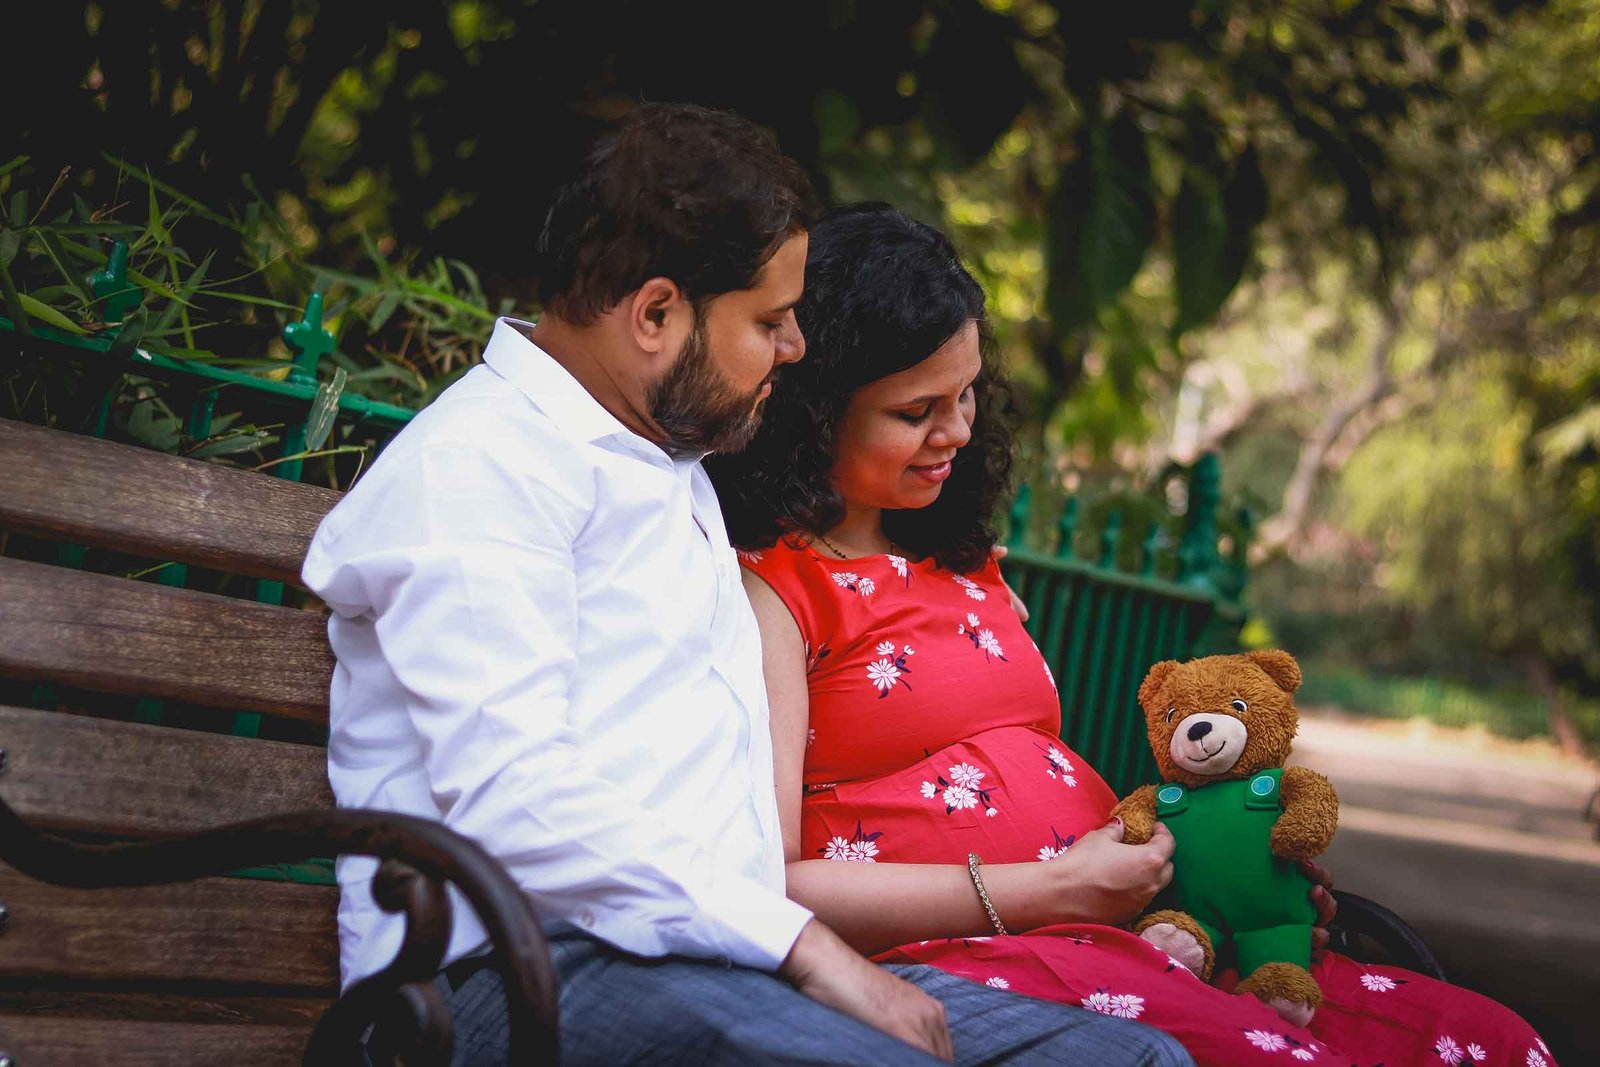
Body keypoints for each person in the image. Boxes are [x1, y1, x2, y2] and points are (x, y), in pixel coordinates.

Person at [302, 104, 1190, 1066]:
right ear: (655, 314)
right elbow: (511, 798)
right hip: (514, 973)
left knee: (1140, 1060)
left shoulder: (666, 463)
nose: (797, 347)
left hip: (718, 964)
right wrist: (803, 945)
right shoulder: (480, 468)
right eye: (770, 321)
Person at [709, 202, 1557, 1067]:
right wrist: (1049, 887)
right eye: (916, 409)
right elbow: (776, 882)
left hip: (1138, 932)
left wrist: (1233, 876)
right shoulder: (771, 591)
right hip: (985, 963)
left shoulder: (961, 561)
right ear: (818, 414)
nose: (957, 430)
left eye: (966, 395)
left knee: (1492, 1039)